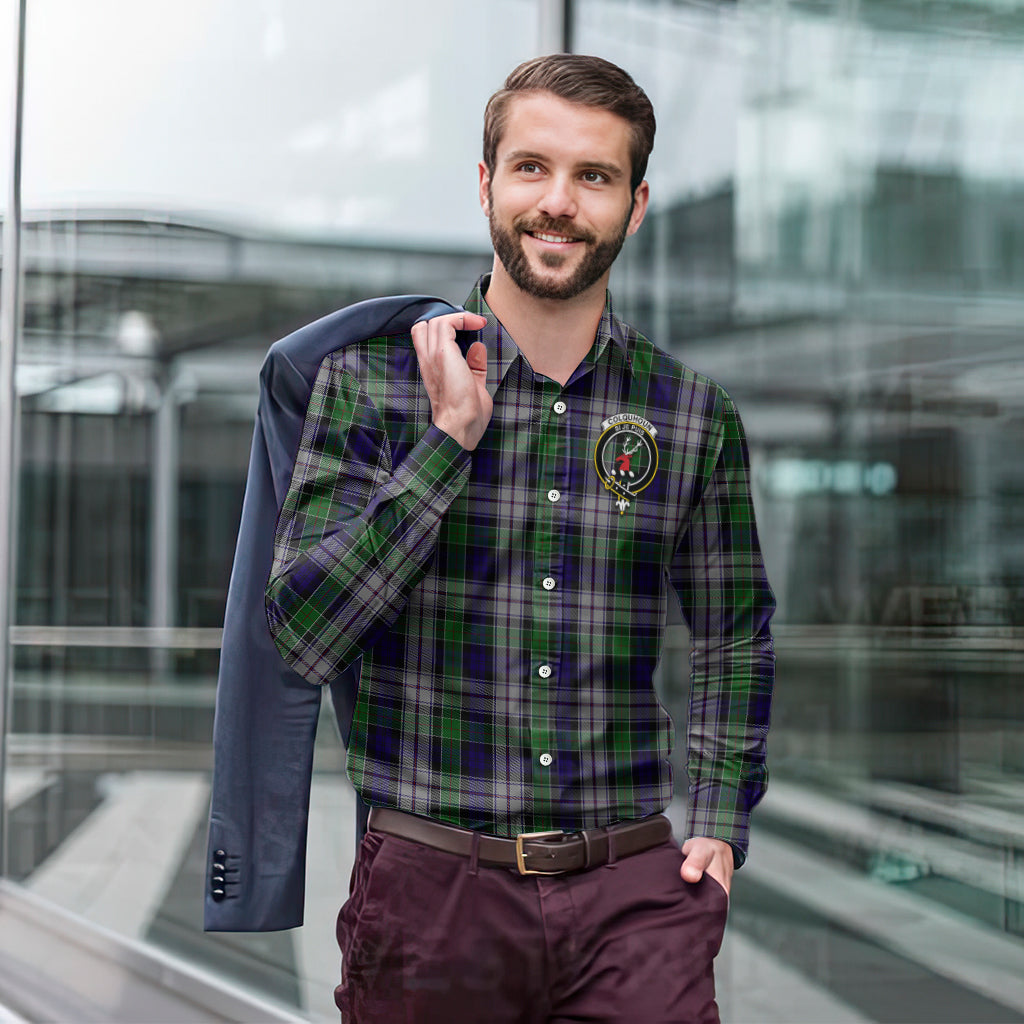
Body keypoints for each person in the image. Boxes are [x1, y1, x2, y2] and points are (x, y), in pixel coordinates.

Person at [265, 53, 775, 1023]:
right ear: (486, 182)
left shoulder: (693, 415)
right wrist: (448, 440)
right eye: (533, 167)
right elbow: (303, 637)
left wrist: (714, 818)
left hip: (634, 898)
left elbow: (734, 631)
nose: (559, 202)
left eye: (595, 176)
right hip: (431, 895)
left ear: (636, 203)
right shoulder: (370, 385)